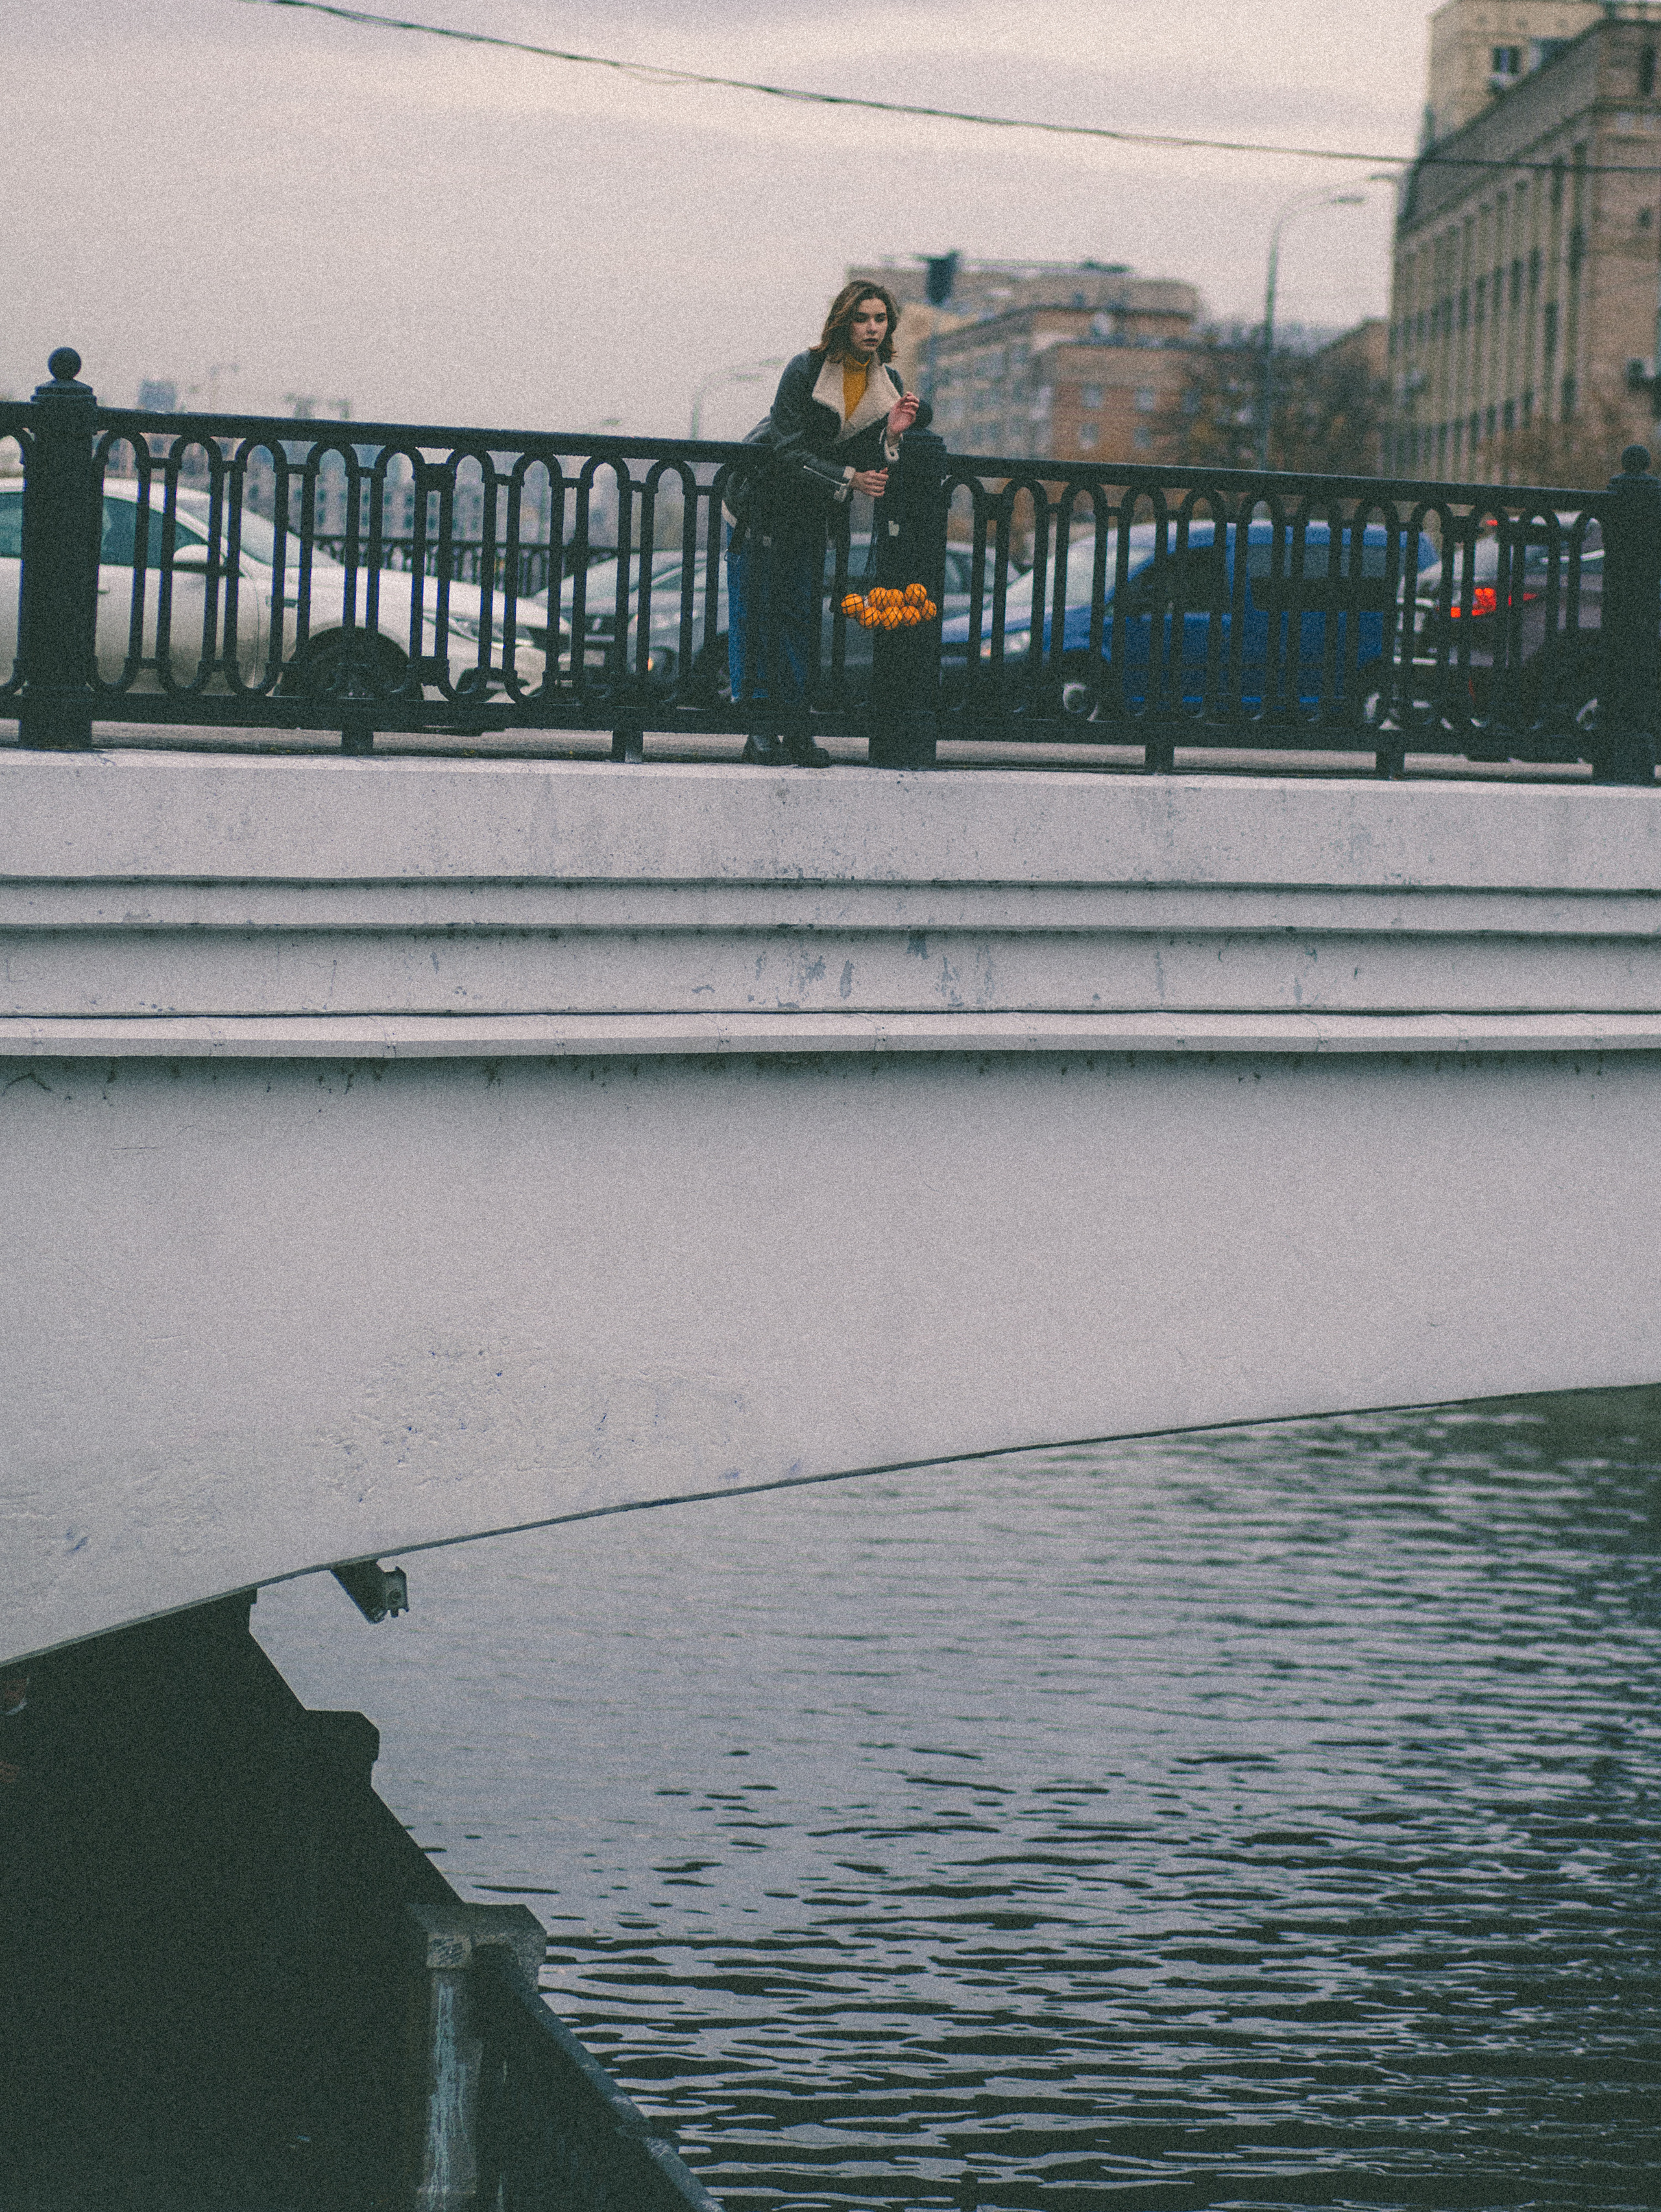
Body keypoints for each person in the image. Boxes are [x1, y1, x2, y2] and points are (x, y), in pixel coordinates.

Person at [724, 282, 932, 765]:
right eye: (863, 318)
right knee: (757, 618)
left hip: (811, 513)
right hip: (762, 503)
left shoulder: (889, 383)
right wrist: (850, 477)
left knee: (799, 620)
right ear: (844, 322)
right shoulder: (806, 369)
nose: (872, 328)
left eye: (881, 319)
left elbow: (860, 453)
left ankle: (796, 730)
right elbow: (786, 448)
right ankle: (758, 733)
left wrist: (891, 436)